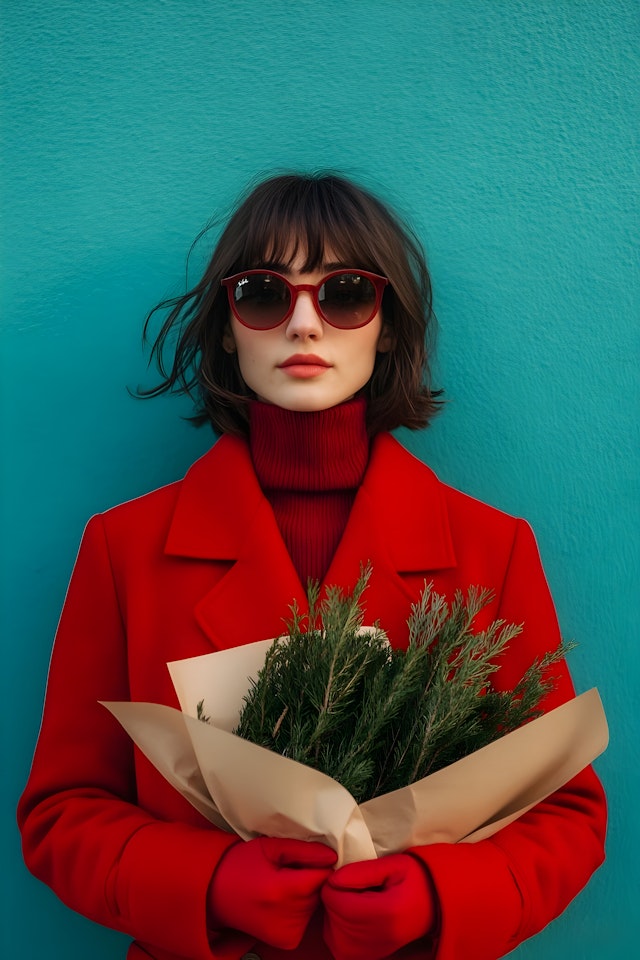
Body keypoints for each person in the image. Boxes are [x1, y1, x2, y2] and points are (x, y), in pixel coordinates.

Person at [18, 173, 606, 960]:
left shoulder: (489, 548)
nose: (303, 324)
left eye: (345, 294)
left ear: (387, 326)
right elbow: (64, 811)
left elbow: (564, 813)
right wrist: (210, 880)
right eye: (263, 294)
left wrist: (440, 896)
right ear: (228, 329)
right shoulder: (124, 548)